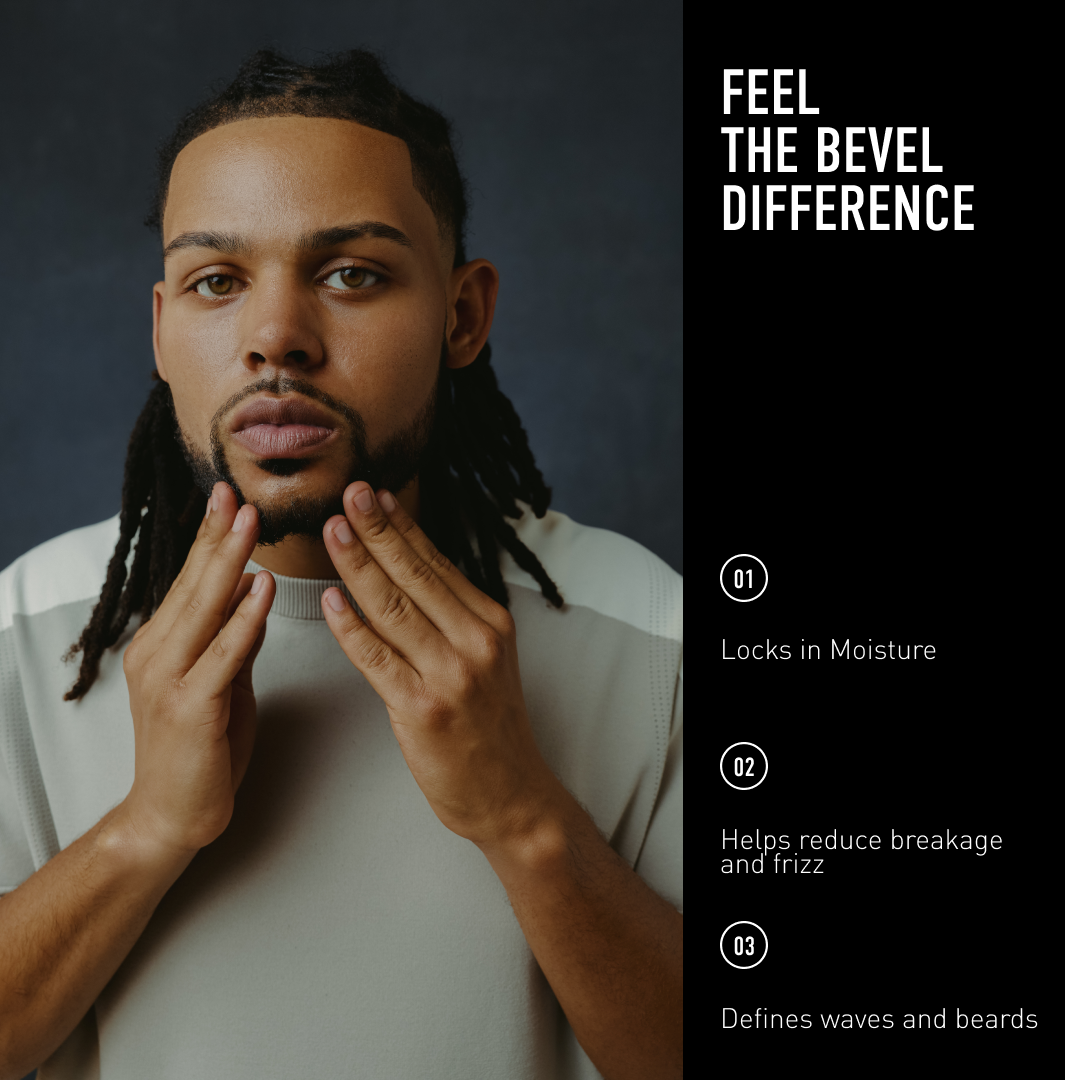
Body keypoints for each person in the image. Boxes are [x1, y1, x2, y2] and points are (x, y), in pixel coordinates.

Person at [0, 48, 682, 1080]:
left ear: (463, 316)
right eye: (216, 281)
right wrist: (144, 832)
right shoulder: (24, 627)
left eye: (351, 274)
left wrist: (523, 816)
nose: (277, 338)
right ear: (159, 328)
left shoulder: (649, 628)